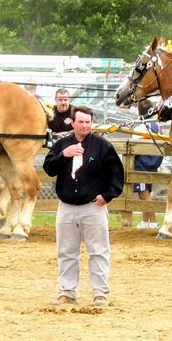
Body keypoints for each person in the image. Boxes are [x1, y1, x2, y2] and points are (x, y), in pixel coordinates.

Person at [43, 106, 124, 308]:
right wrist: (63, 155)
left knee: (98, 251)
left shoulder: (102, 146)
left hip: (92, 207)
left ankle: (100, 293)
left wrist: (107, 195)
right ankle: (67, 292)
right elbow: (49, 168)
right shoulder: (62, 144)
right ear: (73, 123)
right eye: (81, 122)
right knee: (66, 252)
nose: (85, 125)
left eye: (88, 122)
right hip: (67, 206)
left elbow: (116, 173)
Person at [121, 99, 162, 229]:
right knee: (144, 193)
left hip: (142, 164)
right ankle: (145, 222)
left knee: (144, 193)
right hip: (152, 163)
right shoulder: (156, 125)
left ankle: (153, 222)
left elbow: (133, 143)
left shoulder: (141, 127)